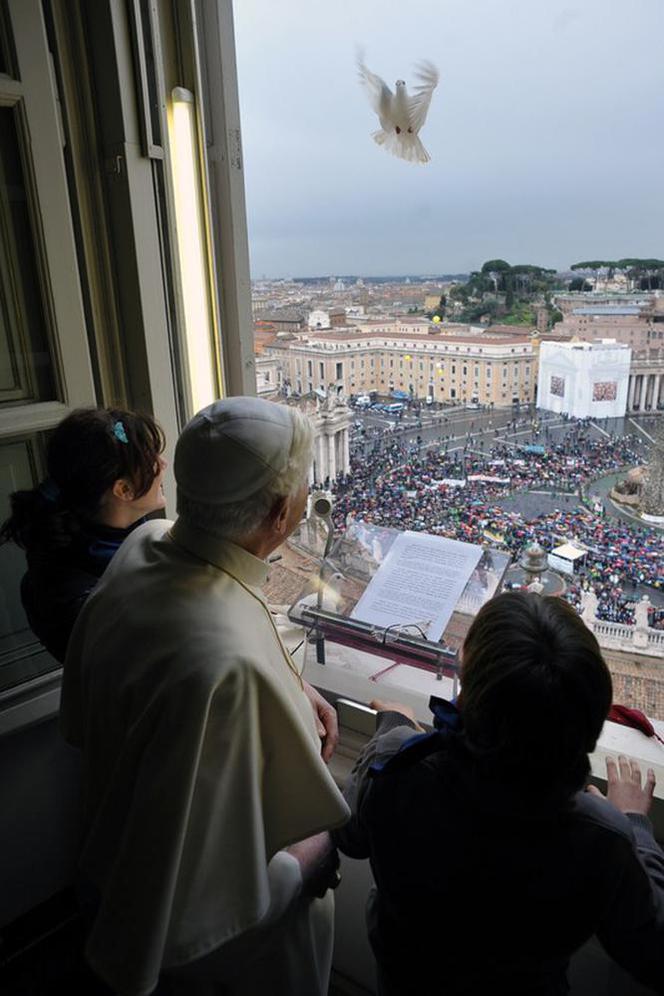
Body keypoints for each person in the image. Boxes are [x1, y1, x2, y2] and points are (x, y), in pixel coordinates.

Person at [60, 396, 350, 996]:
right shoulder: (227, 670)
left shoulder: (150, 543)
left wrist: (296, 685)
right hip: (228, 957)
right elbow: (211, 891)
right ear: (278, 515)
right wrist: (316, 852)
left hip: (104, 867)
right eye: (300, 488)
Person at [336, 592, 664, 995]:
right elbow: (652, 952)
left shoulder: (400, 768)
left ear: (468, 683)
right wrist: (635, 825)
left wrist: (393, 731)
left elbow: (349, 837)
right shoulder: (604, 836)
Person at [0, 406, 167, 662]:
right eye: (150, 459)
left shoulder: (122, 536)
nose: (163, 464)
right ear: (123, 490)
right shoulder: (73, 598)